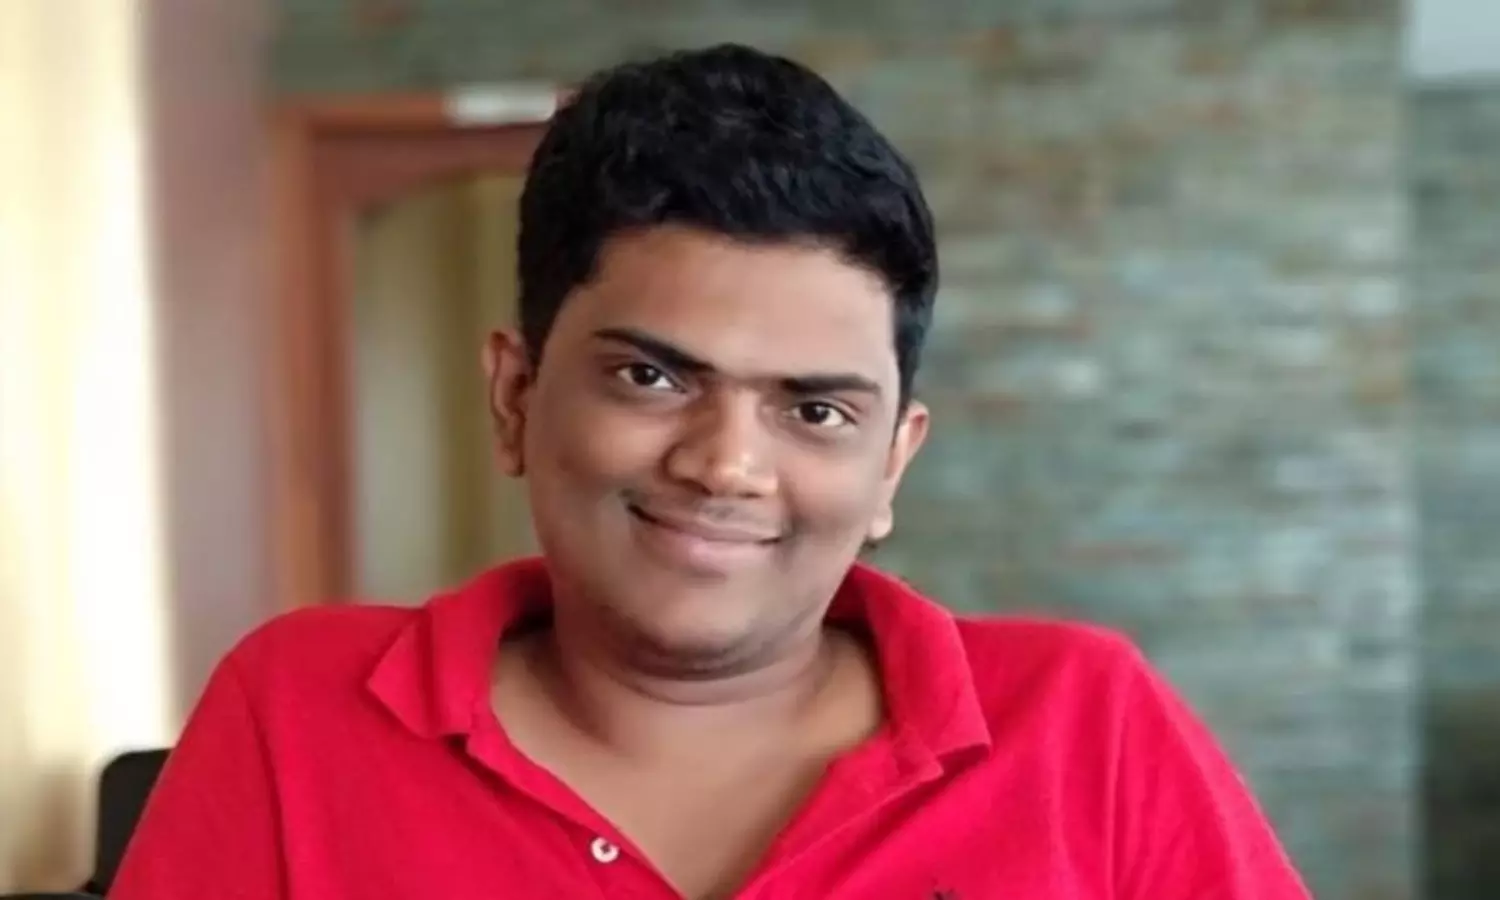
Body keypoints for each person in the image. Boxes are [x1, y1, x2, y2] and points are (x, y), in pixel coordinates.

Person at [112, 44, 1310, 900]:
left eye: (816, 410)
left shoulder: (1085, 727)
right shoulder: (300, 715)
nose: (727, 464)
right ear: (517, 397)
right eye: (651, 378)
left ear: (892, 464)